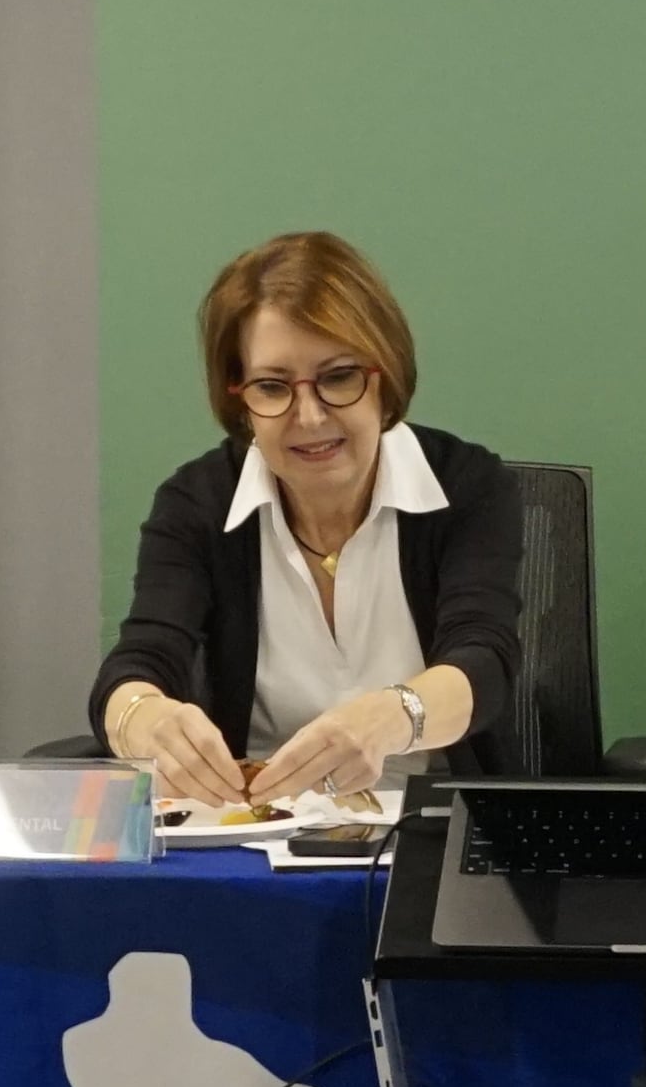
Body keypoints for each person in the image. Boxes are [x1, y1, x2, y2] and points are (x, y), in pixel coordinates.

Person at [90, 232, 523, 806]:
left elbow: (484, 659)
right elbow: (141, 659)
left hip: (438, 826)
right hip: (258, 831)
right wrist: (143, 719)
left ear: (385, 376)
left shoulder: (466, 485)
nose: (311, 416)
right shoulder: (198, 503)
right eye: (272, 387)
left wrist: (393, 716)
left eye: (339, 377)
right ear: (240, 399)